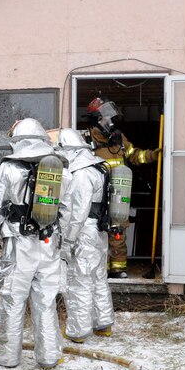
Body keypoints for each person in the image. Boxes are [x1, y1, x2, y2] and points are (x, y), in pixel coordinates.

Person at [0, 118, 65, 369]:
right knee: (46, 302)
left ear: (17, 141)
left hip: (19, 243)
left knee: (12, 300)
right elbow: (67, 208)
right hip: (49, 241)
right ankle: (48, 356)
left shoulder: (8, 168)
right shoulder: (60, 167)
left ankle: (7, 356)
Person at [86, 97, 161, 278]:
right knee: (98, 233)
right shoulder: (86, 140)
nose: (110, 122)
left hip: (119, 193)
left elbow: (135, 156)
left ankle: (118, 269)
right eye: (106, 119)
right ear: (97, 120)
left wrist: (153, 155)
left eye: (110, 118)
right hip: (97, 196)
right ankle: (101, 270)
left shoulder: (119, 139)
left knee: (118, 232)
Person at [56, 128, 115, 342]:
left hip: (84, 232)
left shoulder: (80, 173)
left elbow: (78, 212)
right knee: (98, 277)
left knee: (78, 281)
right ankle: (103, 323)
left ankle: (78, 331)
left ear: (69, 150)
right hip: (97, 230)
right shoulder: (97, 168)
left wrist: (68, 241)